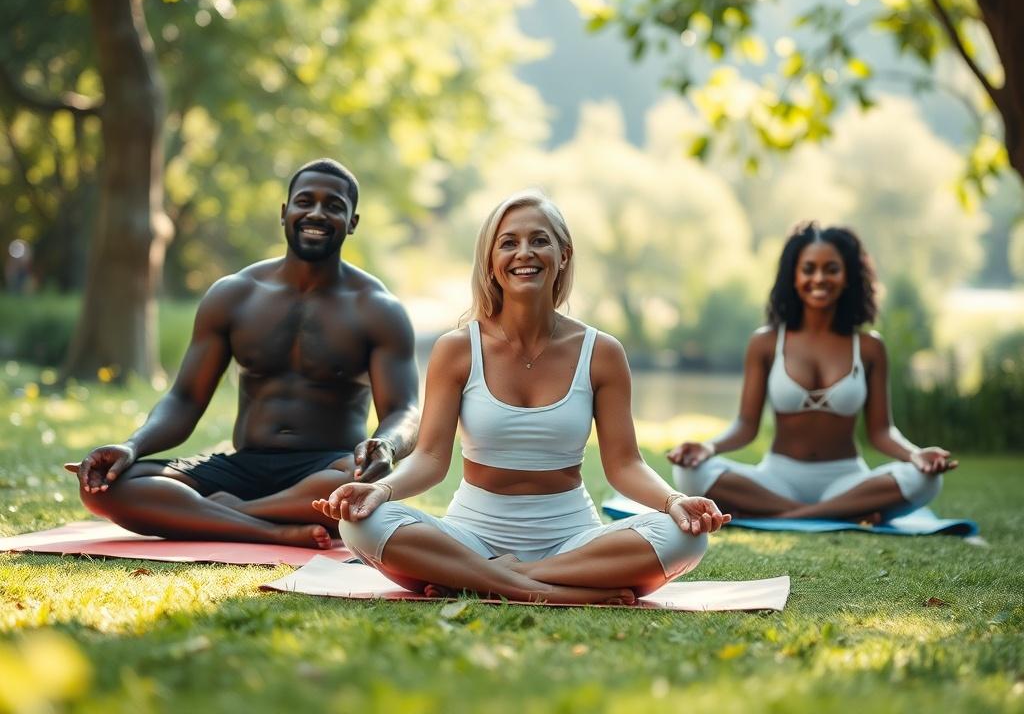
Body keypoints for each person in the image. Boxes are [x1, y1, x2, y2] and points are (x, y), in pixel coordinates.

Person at [313, 191, 729, 605]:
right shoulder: (457, 349)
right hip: (470, 537)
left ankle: (482, 580)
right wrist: (381, 491)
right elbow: (430, 460)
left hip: (572, 543)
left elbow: (624, 465)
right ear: (491, 262)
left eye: (539, 240)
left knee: (685, 538)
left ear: (563, 254)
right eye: (508, 242)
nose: (523, 253)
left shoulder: (602, 352)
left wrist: (676, 502)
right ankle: (550, 592)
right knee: (360, 525)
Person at [65, 158, 419, 549]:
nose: (316, 213)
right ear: (285, 213)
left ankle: (224, 513)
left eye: (333, 205)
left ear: (352, 222)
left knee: (353, 488)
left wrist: (385, 444)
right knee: (109, 489)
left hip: (328, 469)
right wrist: (132, 446)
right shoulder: (234, 294)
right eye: (305, 201)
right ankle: (272, 528)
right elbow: (185, 399)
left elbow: (404, 409)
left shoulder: (378, 308)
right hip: (242, 465)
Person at [668, 222, 956, 521]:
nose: (819, 278)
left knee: (927, 479)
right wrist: (707, 447)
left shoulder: (869, 347)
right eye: (809, 269)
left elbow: (881, 431)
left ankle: (783, 514)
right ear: (793, 275)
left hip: (846, 482)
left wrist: (915, 455)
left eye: (831, 269)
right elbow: (745, 425)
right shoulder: (766, 342)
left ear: (848, 278)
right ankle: (833, 514)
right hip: (776, 480)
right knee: (689, 471)